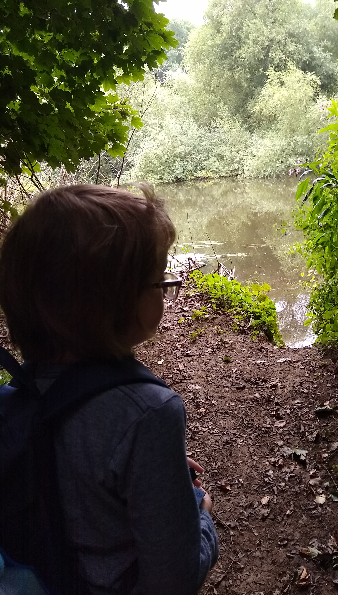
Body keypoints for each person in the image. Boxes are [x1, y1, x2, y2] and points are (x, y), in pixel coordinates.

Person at [0, 184, 218, 595]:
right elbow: (173, 578)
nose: (166, 290)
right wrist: (202, 515)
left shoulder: (17, 398)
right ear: (115, 302)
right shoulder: (150, 413)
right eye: (159, 281)